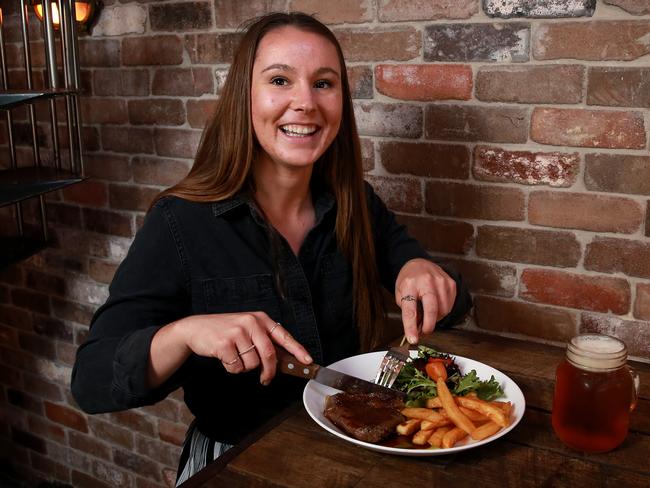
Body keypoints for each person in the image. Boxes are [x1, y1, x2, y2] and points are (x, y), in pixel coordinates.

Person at [71, 11, 472, 484]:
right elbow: (91, 380)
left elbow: (452, 304)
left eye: (324, 83)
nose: (304, 102)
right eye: (280, 79)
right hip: (238, 464)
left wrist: (417, 268)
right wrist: (183, 333)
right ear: (245, 95)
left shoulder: (356, 204)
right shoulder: (179, 220)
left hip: (358, 461)